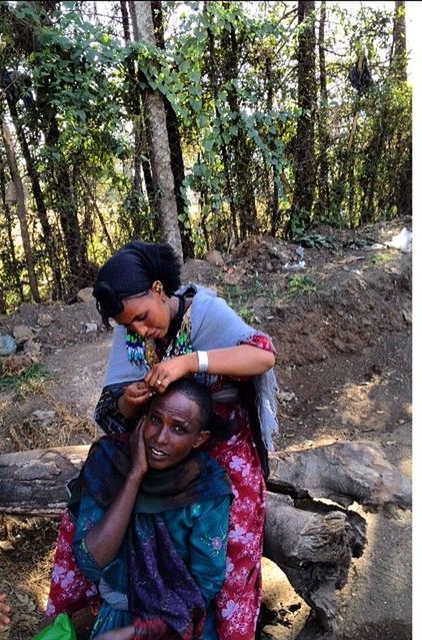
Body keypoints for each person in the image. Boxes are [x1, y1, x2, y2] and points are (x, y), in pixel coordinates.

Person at [47, 241, 278, 640]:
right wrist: (128, 401)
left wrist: (190, 362)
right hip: (159, 442)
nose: (138, 330)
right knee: (90, 506)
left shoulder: (204, 313)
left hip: (222, 449)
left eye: (141, 317)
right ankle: (78, 619)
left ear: (158, 289)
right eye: (127, 325)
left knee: (230, 564)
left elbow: (263, 355)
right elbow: (108, 414)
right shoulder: (133, 331)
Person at [71, 379, 232, 639]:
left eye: (178, 429)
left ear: (198, 439)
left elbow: (205, 583)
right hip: (115, 614)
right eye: (155, 420)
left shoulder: (205, 486)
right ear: (143, 418)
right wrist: (135, 476)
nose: (160, 438)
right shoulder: (110, 460)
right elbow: (90, 563)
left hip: (176, 625)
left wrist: (138, 631)